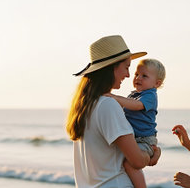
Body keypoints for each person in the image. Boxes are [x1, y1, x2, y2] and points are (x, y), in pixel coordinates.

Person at [66, 35, 161, 187]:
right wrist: (154, 155)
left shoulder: (85, 106)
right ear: (112, 67)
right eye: (127, 67)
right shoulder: (108, 105)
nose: (128, 75)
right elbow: (136, 161)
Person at [106, 58, 165, 188]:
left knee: (129, 164)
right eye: (136, 74)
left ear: (156, 83)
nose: (138, 78)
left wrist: (115, 98)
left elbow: (137, 106)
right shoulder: (134, 95)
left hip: (144, 140)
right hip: (135, 138)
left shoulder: (150, 96)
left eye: (144, 76)